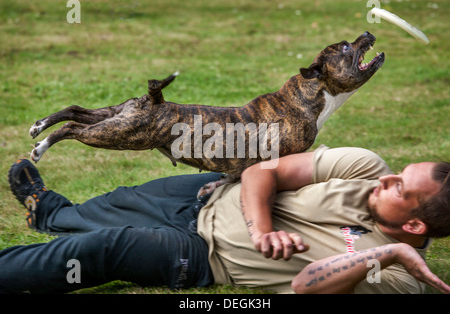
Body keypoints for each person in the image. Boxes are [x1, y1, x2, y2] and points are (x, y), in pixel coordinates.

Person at [1, 145, 449, 294]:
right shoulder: (365, 167)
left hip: (203, 255)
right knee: (106, 207)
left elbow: (305, 286)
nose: (386, 177)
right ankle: (51, 213)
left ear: (414, 226)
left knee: (101, 249)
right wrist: (263, 229)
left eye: (399, 188)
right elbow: (263, 171)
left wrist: (389, 252)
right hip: (208, 196)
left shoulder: (397, 276)